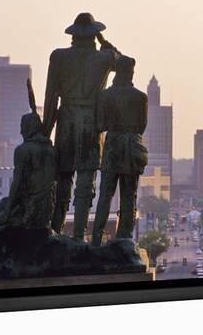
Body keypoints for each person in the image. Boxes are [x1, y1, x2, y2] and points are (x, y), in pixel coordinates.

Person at [43, 13, 121, 241]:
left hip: (66, 120)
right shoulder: (105, 57)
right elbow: (125, 63)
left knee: (62, 179)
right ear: (94, 35)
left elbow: (50, 97)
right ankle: (78, 236)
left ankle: (55, 232)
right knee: (86, 182)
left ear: (73, 35)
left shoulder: (59, 57)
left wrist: (45, 131)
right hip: (91, 123)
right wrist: (104, 41)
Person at [91, 56, 148, 246]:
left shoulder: (105, 96)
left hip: (113, 145)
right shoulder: (140, 97)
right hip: (132, 145)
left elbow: (100, 124)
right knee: (129, 195)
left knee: (105, 194)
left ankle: (97, 239)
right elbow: (141, 126)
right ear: (130, 72)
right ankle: (124, 238)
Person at [0, 81, 57, 229]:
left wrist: (6, 213)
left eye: (22, 128)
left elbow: (17, 184)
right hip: (48, 210)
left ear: (27, 128)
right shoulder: (51, 150)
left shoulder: (23, 150)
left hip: (30, 210)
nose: (21, 132)